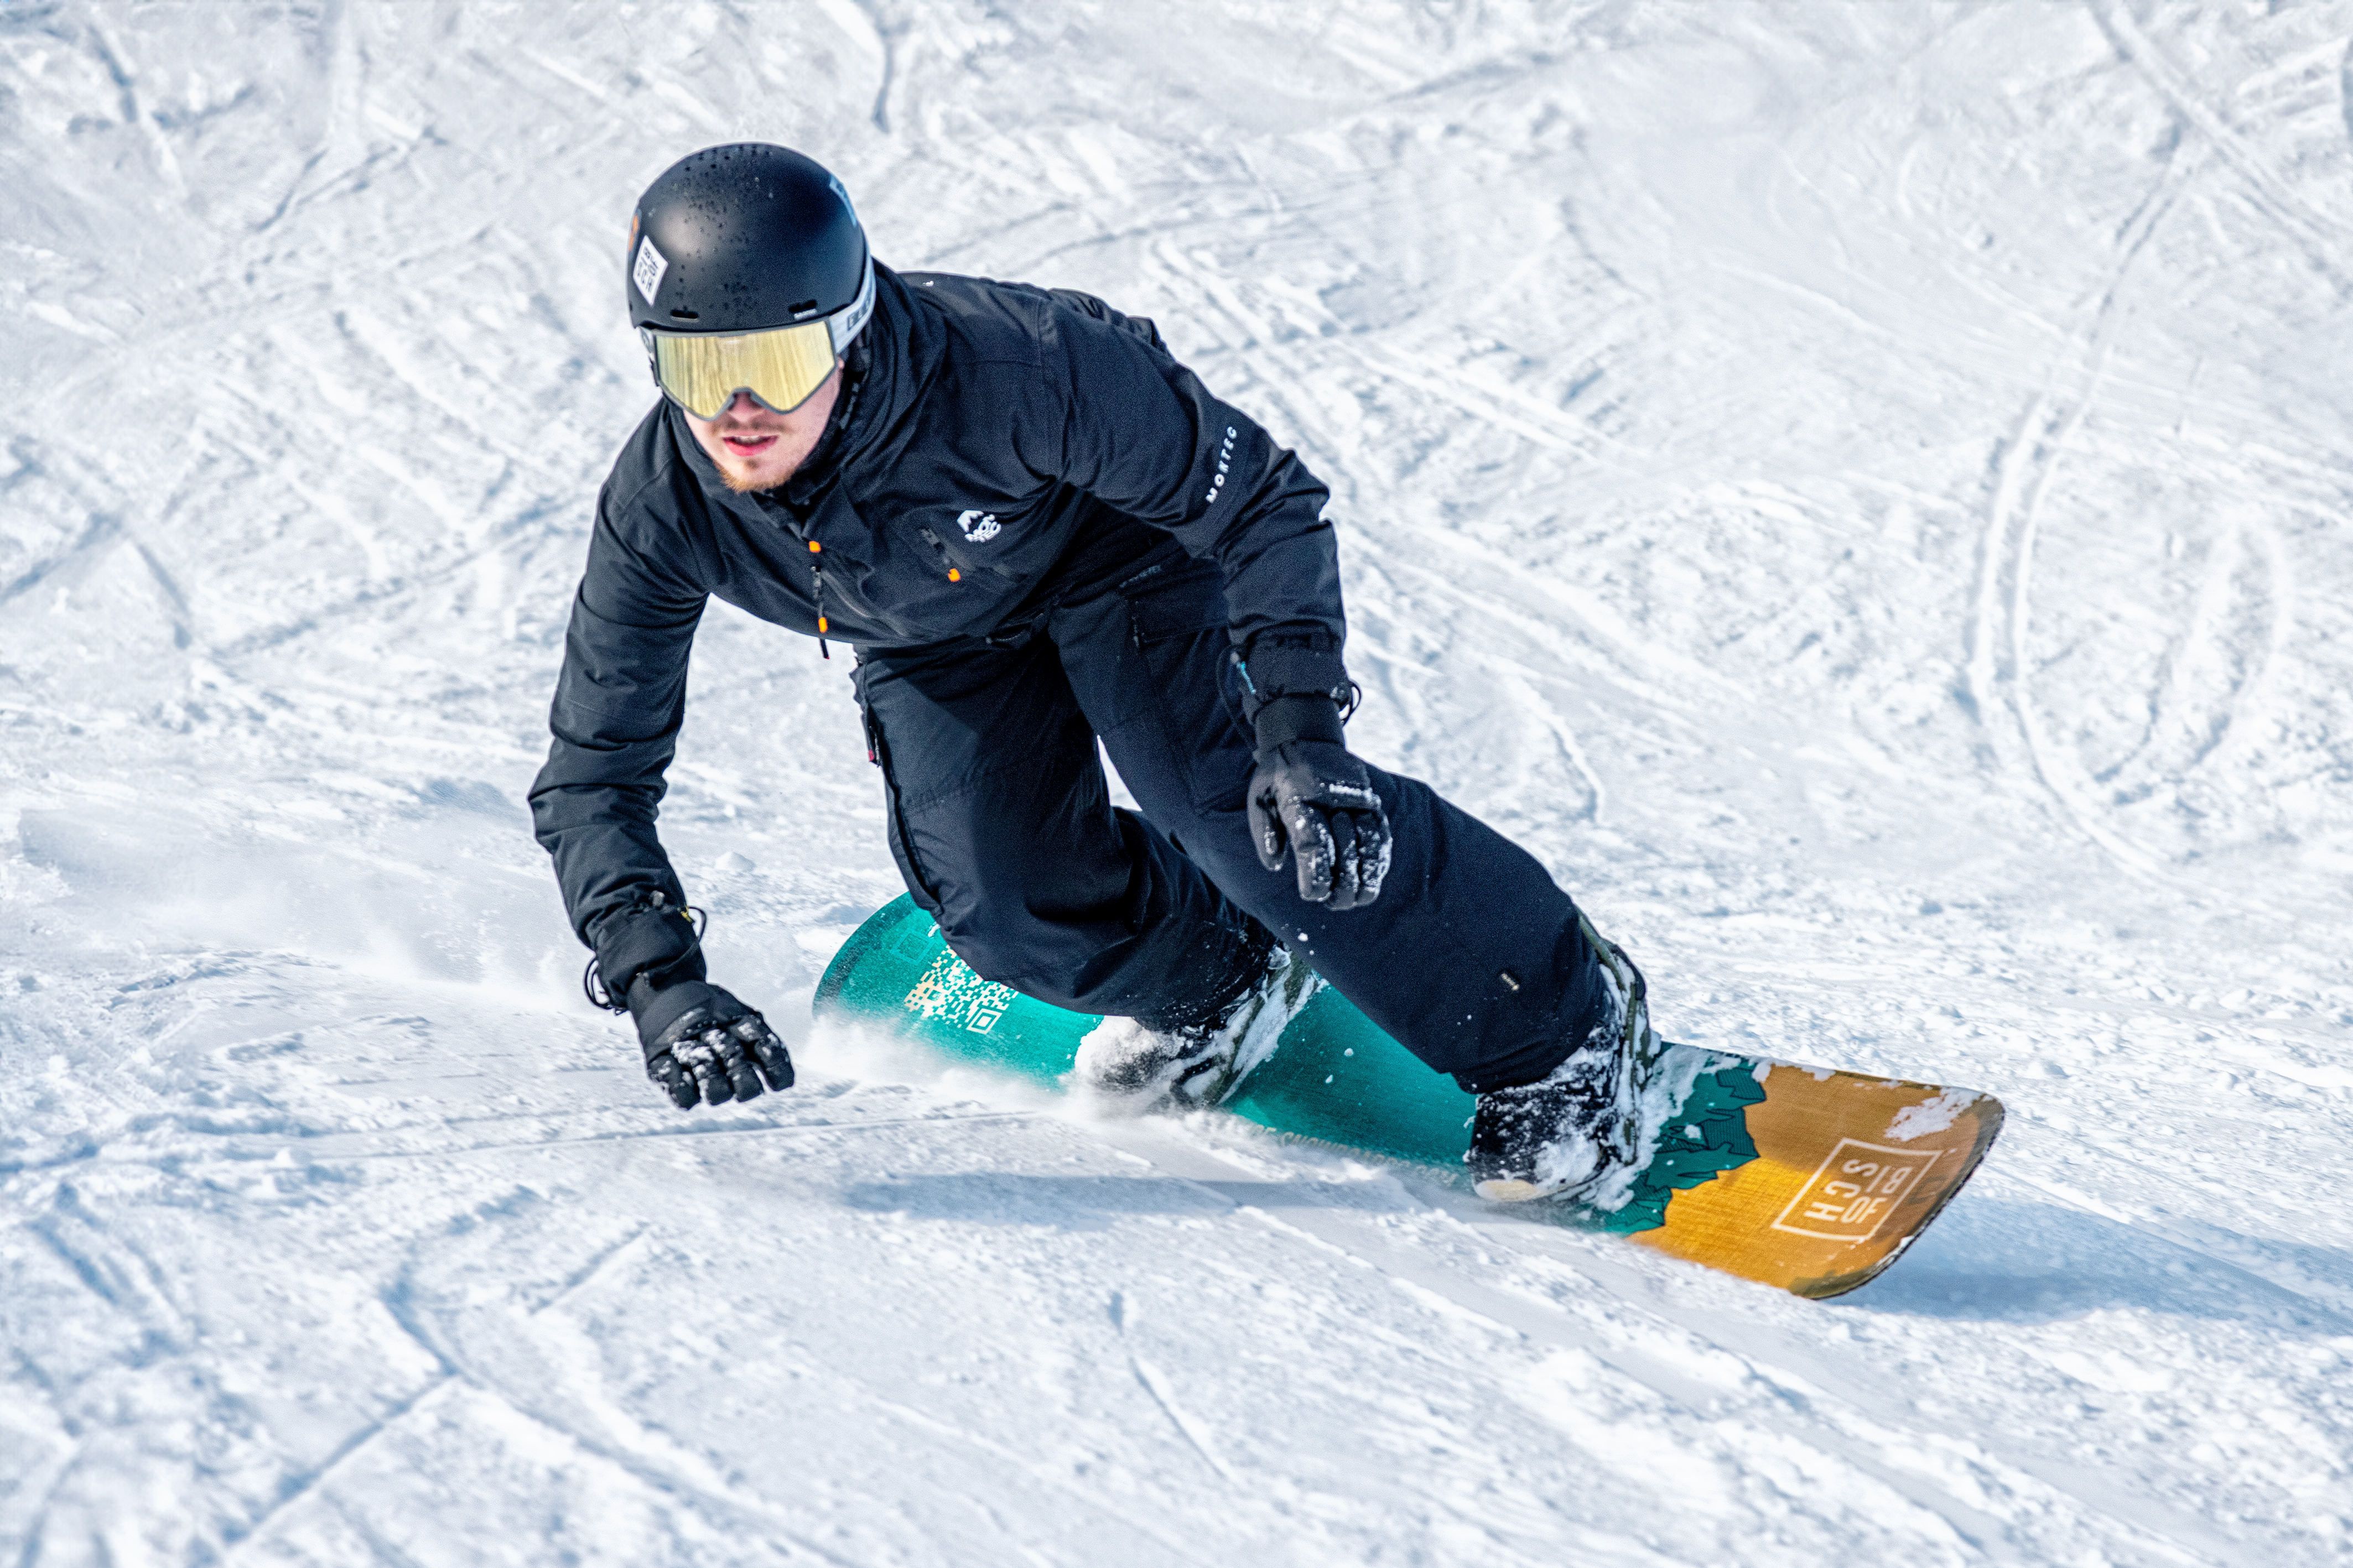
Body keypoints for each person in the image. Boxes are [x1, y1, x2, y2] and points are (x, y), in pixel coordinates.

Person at [528, 143, 1659, 1202]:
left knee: (1242, 809)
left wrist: (1302, 729)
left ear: (851, 330)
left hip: (1121, 559)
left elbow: (1262, 504)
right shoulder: (663, 508)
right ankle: (1216, 977)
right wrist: (660, 982)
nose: (739, 412)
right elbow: (592, 774)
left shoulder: (1017, 370)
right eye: (698, 365)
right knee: (1001, 903)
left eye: (776, 363)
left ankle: (1561, 1030)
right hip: (935, 632)